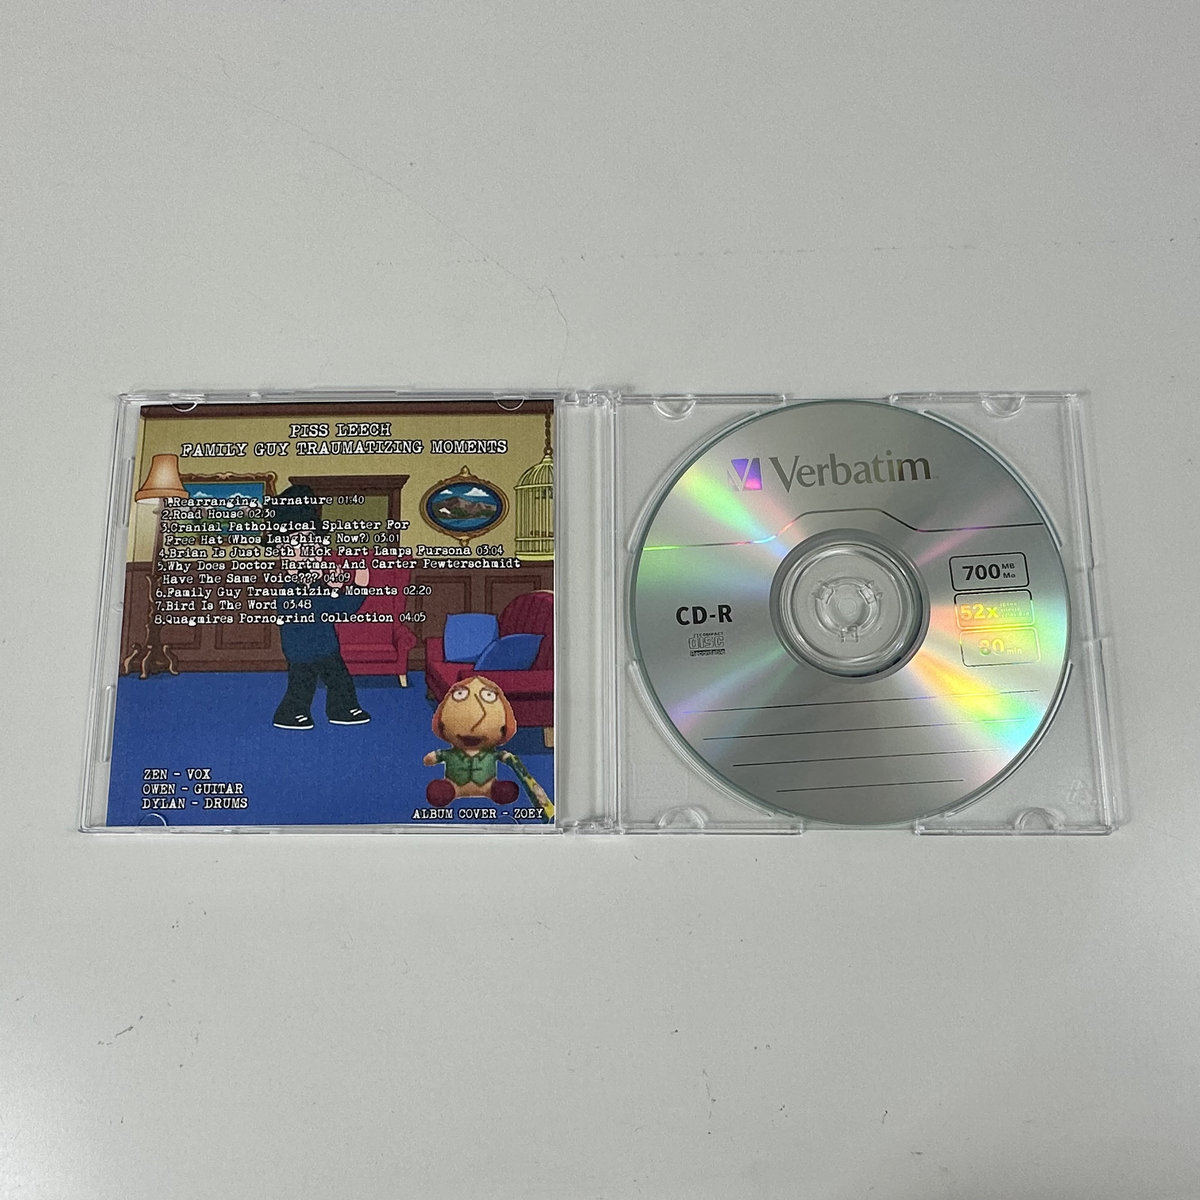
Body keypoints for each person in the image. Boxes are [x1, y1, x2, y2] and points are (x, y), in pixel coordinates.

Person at [268, 485, 372, 730]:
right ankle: (295, 713)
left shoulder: (313, 584)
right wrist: (356, 588)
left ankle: (337, 710)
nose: (313, 556)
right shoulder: (294, 589)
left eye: (315, 549)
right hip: (307, 649)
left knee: (324, 681)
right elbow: (334, 609)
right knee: (311, 683)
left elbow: (334, 607)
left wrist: (339, 588)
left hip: (321, 646)